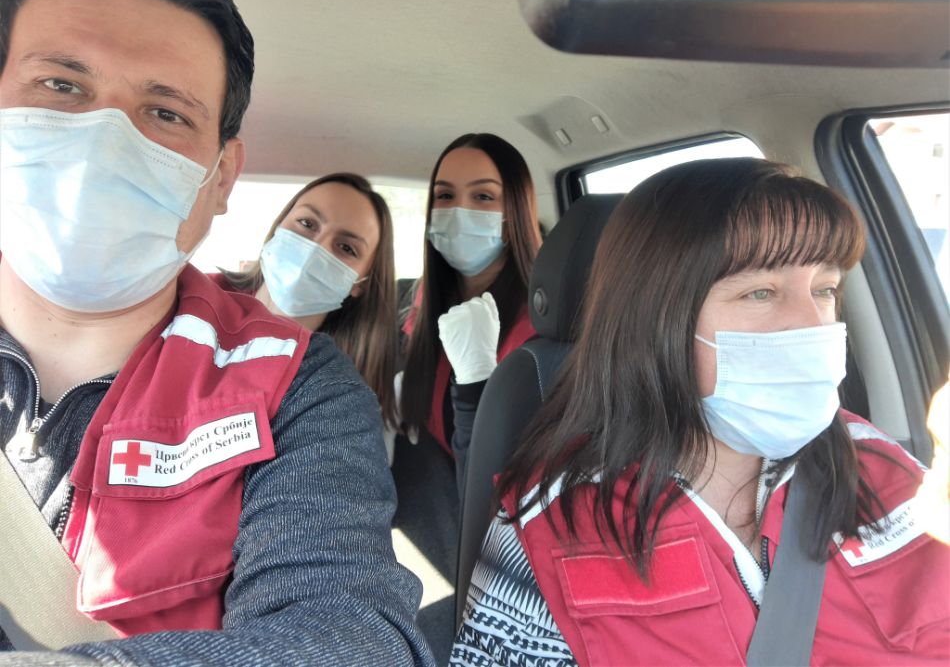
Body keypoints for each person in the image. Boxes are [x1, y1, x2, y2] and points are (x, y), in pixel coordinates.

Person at [0, 0, 432, 665]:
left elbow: (350, 629)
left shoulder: (306, 391)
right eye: (62, 84)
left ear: (222, 176)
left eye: (166, 113)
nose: (106, 139)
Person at [451, 158, 950, 666]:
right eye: (760, 292)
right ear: (657, 320)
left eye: (824, 290)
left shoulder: (892, 474)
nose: (813, 324)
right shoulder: (551, 531)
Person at [399, 133, 542, 495]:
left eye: (483, 197)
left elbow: (508, 482)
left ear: (513, 215)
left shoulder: (541, 328)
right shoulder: (425, 300)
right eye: (445, 196)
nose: (459, 212)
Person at [219, 173, 399, 440]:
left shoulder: (341, 394)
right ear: (278, 227)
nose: (315, 249)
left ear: (360, 283)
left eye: (346, 248)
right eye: (306, 223)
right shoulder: (191, 298)